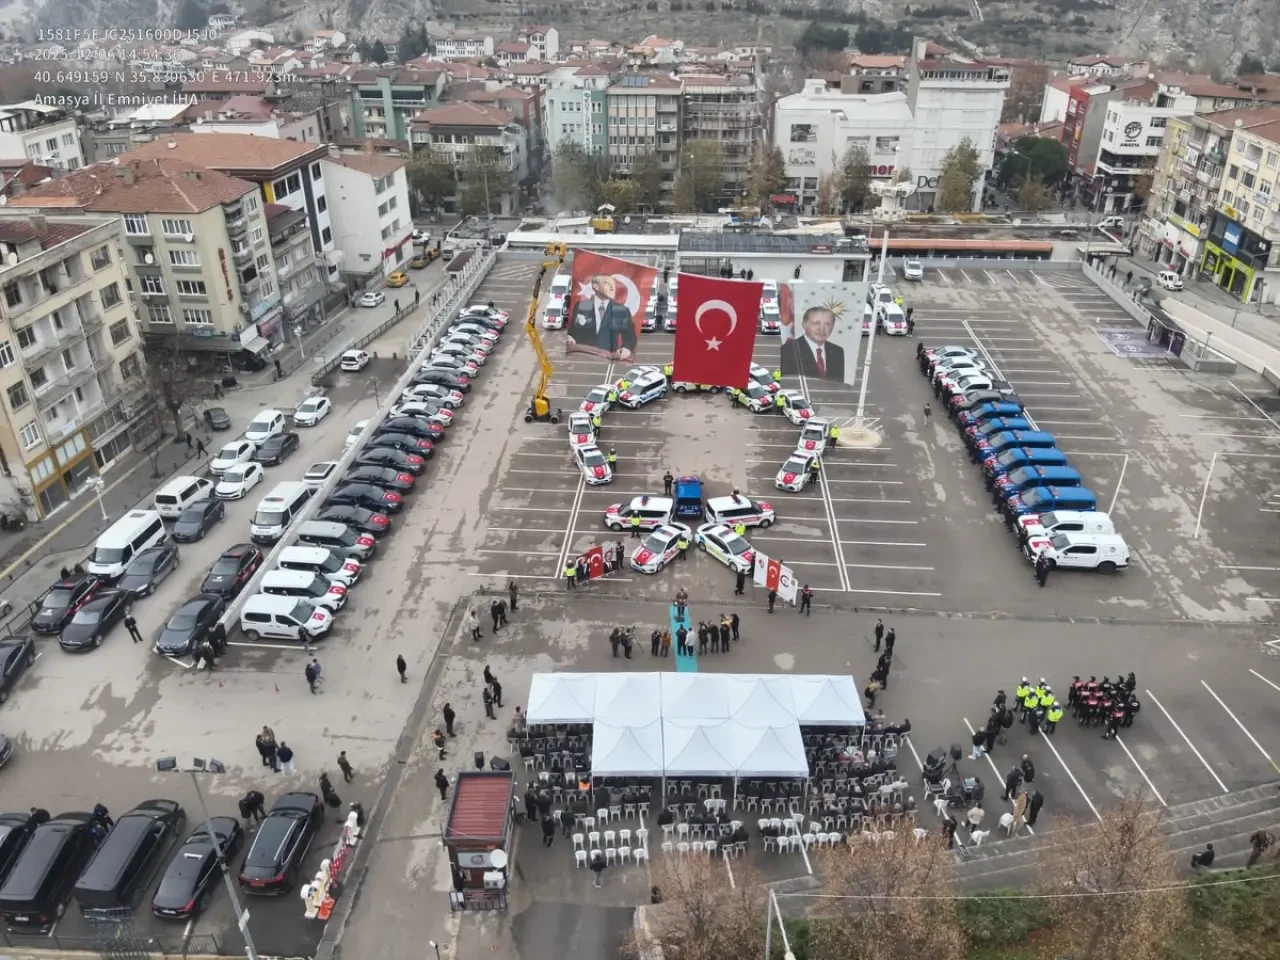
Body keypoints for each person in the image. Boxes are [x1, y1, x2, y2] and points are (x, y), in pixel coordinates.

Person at [568, 274, 636, 359]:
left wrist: (627, 348)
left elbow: (630, 336)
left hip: (607, 359)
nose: (612, 287)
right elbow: (573, 331)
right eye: (607, 283)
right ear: (596, 286)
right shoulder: (581, 306)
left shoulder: (622, 310)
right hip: (583, 356)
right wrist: (570, 337)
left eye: (614, 284)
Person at [781, 305, 845, 380]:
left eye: (828, 324)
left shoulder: (837, 351)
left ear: (833, 326)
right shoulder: (789, 350)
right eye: (816, 323)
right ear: (804, 324)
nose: (822, 329)